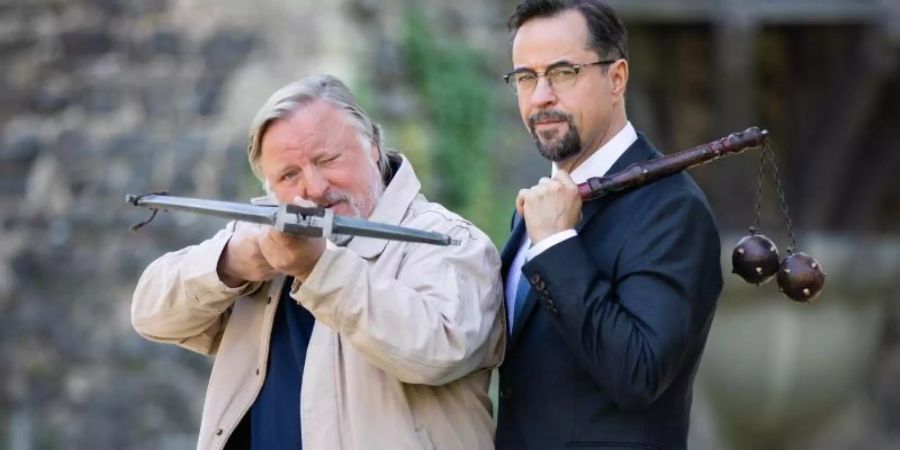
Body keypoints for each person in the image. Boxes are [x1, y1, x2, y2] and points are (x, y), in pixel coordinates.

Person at [132, 75, 505, 450]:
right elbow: (150, 315)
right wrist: (230, 264)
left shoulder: (448, 239)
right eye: (289, 175)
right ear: (270, 189)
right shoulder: (262, 236)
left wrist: (318, 268)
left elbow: (438, 350)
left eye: (327, 159)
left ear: (373, 147)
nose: (313, 187)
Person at [495, 1, 723, 449]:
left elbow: (638, 373)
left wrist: (557, 244)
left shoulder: (673, 210)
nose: (541, 96)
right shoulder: (542, 204)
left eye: (563, 73)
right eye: (526, 77)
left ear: (616, 78)